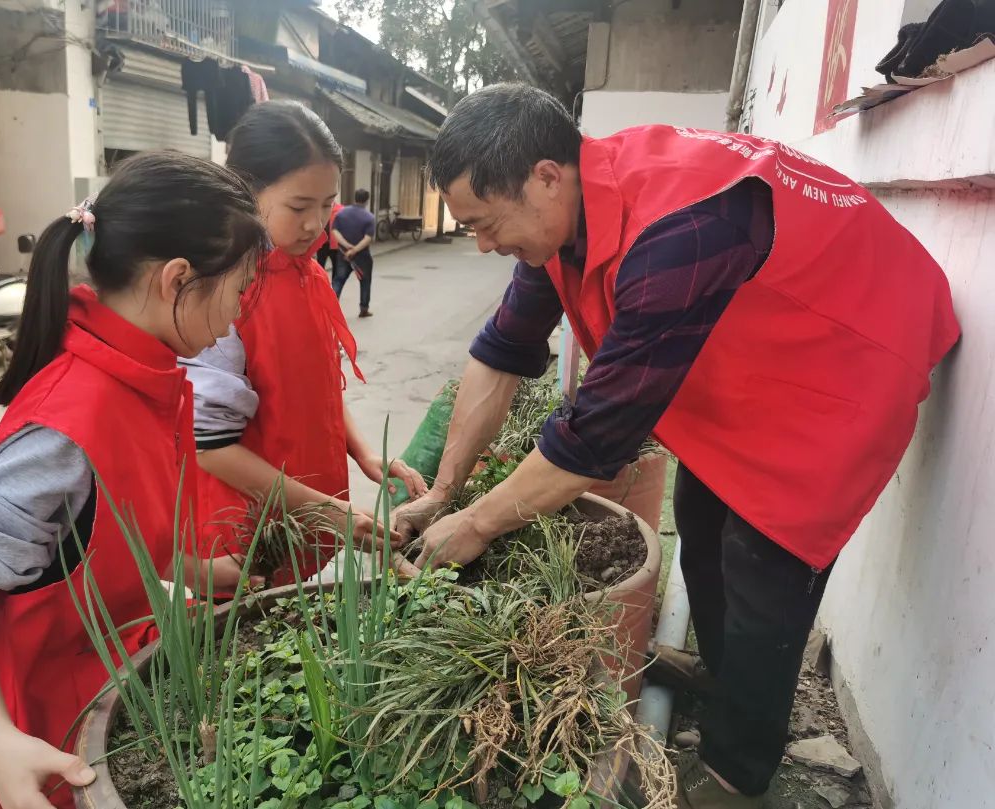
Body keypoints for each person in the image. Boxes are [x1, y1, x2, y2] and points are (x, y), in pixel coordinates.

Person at [394, 84, 960, 809]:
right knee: (700, 517)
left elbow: (593, 438)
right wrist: (444, 491)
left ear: (544, 176)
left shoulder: (676, 227)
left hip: (851, 351)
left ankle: (736, 771)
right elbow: (501, 353)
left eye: (485, 223)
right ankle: (723, 678)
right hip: (764, 350)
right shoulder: (563, 219)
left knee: (766, 564)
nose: (482, 244)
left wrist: (473, 524)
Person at [0, 151, 268, 809]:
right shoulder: (73, 420)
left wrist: (194, 569)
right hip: (26, 744)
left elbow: (101, 530)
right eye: (241, 289)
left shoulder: (147, 381)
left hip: (92, 695)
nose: (239, 314)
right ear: (178, 279)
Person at [182, 101, 426, 588]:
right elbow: (209, 448)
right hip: (249, 531)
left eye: (325, 203)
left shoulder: (308, 273)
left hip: (313, 508)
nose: (316, 223)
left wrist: (363, 454)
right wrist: (326, 509)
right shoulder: (222, 291)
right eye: (299, 206)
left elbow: (317, 387)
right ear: (246, 193)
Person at [331, 188, 376, 317]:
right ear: (367, 200)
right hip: (362, 256)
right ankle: (364, 308)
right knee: (365, 281)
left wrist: (347, 246)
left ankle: (331, 307)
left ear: (354, 197)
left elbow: (335, 231)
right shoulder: (369, 217)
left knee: (338, 280)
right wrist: (355, 249)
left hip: (343, 253)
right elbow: (368, 238)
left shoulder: (341, 213)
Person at [315, 199, 344, 273]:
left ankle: (334, 284)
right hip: (322, 244)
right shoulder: (319, 209)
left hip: (335, 245)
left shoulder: (341, 209)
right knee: (320, 267)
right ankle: (320, 283)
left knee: (336, 267)